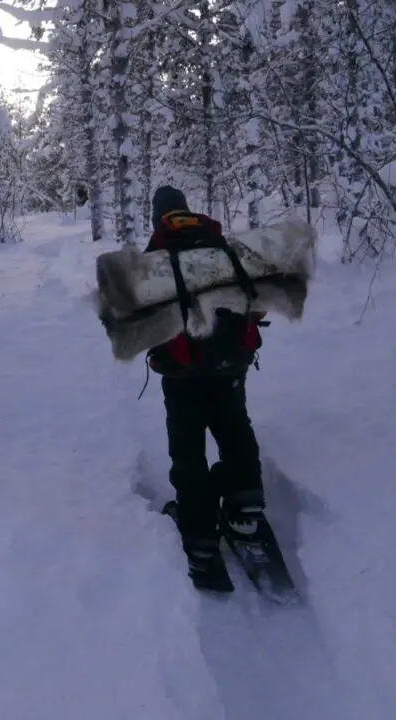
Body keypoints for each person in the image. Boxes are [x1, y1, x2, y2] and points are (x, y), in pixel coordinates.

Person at [145, 185, 267, 586]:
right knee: (234, 428)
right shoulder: (219, 241)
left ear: (158, 216)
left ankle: (199, 537)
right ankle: (245, 507)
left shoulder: (158, 253)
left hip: (183, 372)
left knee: (188, 448)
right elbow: (258, 297)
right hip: (231, 363)